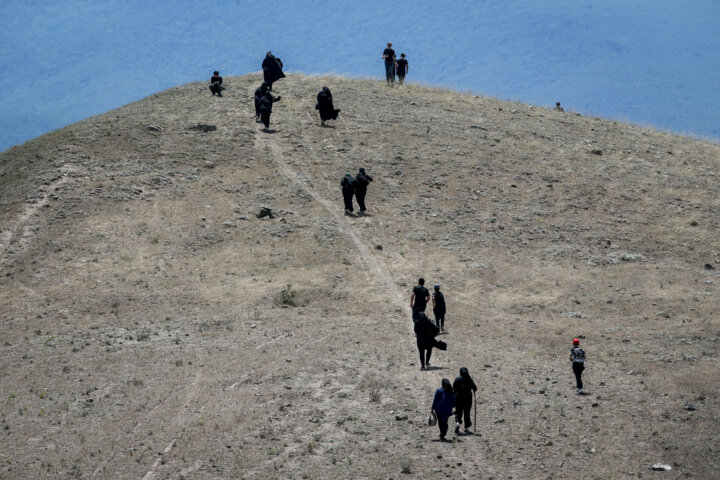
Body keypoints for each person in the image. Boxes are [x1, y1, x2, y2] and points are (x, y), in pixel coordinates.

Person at [453, 367, 477, 434]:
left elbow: (453, 389)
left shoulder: (457, 379)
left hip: (459, 398)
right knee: (467, 413)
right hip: (468, 399)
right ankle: (466, 427)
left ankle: (457, 423)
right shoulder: (469, 379)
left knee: (458, 412)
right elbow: (475, 388)